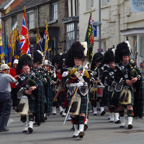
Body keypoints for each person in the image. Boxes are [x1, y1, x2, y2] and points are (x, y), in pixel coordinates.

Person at [111, 41, 143, 129]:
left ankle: (130, 123)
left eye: (127, 57)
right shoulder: (117, 66)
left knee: (129, 105)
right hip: (121, 87)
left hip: (130, 88)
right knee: (120, 106)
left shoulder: (132, 64)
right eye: (125, 57)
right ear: (121, 57)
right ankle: (122, 122)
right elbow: (116, 77)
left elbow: (139, 74)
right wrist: (125, 81)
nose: (126, 58)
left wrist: (136, 78)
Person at [63, 41, 90, 138]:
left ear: (81, 60)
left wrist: (83, 83)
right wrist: (66, 79)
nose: (77, 61)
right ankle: (76, 130)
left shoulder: (85, 70)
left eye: (79, 59)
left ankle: (81, 130)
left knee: (82, 112)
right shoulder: (69, 70)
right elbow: (65, 83)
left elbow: (88, 82)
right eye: (75, 59)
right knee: (74, 114)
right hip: (73, 92)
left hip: (82, 92)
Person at [16, 54, 45, 133]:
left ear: (30, 68)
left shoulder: (34, 76)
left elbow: (40, 83)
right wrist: (25, 91)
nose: (26, 70)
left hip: (32, 96)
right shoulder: (19, 77)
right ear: (22, 69)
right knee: (23, 113)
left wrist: (34, 87)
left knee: (31, 111)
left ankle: (30, 126)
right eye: (24, 68)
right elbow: (17, 86)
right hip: (23, 96)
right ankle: (25, 126)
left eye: (27, 68)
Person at [101, 48, 120, 123]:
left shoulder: (118, 70)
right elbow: (107, 79)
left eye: (114, 63)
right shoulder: (106, 71)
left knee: (116, 103)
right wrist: (112, 82)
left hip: (117, 89)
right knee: (110, 104)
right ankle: (111, 115)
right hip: (109, 88)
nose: (113, 64)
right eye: (112, 63)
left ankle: (117, 117)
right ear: (109, 63)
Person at [0, 64, 16, 132]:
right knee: (6, 111)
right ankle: (3, 126)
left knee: (0, 111)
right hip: (6, 94)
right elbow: (14, 81)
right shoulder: (7, 76)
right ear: (6, 70)